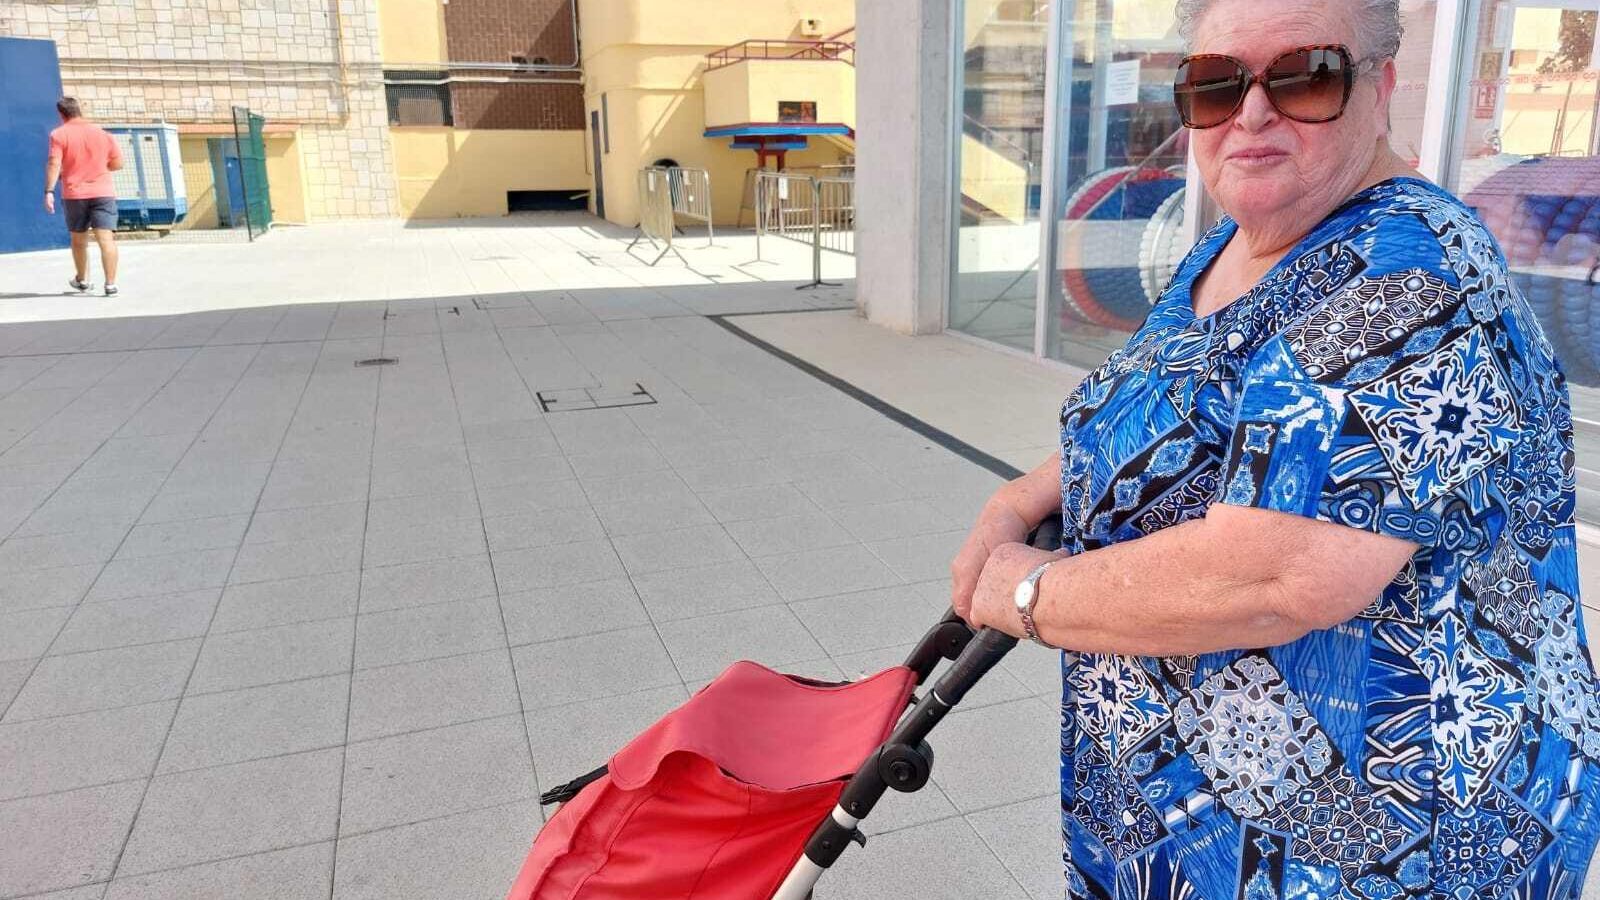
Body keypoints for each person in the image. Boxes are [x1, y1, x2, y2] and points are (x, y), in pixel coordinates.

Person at [951, 0, 1600, 896]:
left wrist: (1024, 592)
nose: (1251, 112)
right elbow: (1163, 410)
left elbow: (1274, 578)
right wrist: (1020, 498)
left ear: (1380, 87)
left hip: (1374, 838)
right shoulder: (1236, 243)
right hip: (1207, 807)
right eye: (1216, 85)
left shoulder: (1403, 280)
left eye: (1305, 76)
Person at [44, 97, 121, 297]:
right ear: (80, 110)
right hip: (103, 192)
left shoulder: (59, 134)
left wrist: (49, 191)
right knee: (107, 240)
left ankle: (82, 280)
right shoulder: (103, 134)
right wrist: (97, 169)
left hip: (74, 194)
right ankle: (110, 285)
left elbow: (54, 162)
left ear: (61, 114)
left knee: (79, 239)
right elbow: (118, 163)